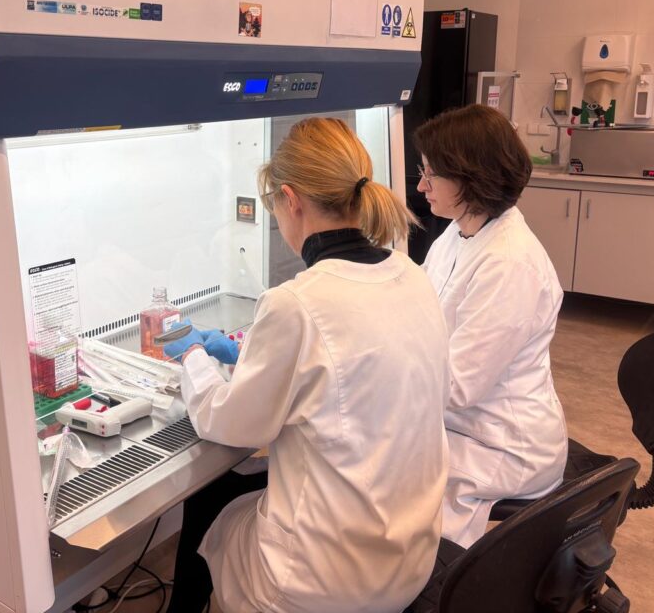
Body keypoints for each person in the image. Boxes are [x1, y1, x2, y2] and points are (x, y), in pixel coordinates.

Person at [162, 117, 450, 613]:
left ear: (291, 200)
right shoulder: (410, 274)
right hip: (408, 560)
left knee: (212, 500)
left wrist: (192, 358)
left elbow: (228, 424)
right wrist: (246, 351)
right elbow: (351, 360)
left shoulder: (294, 302)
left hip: (323, 584)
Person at [414, 104, 568, 548]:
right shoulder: (460, 230)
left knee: (399, 510)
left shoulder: (509, 264)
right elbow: (419, 301)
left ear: (471, 178)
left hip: (502, 445)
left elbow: (458, 386)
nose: (421, 186)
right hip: (465, 425)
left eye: (431, 175)